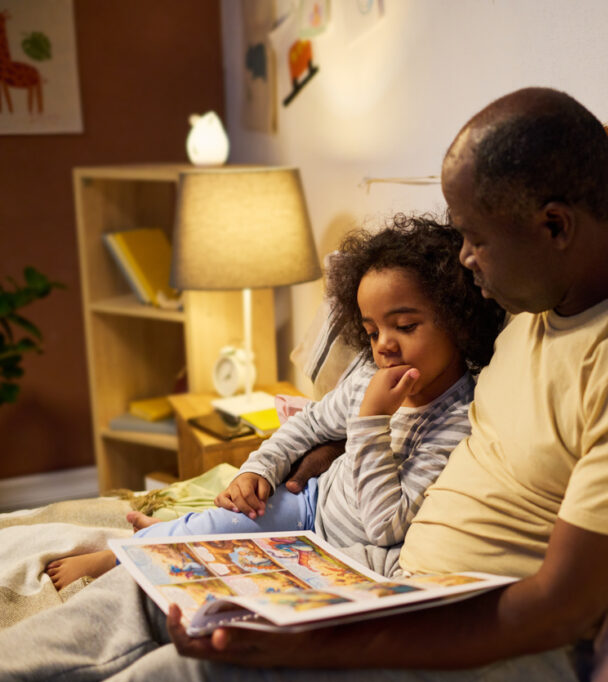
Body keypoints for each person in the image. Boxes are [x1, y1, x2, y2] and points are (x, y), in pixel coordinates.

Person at [0, 88, 608, 681]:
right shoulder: (537, 306)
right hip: (367, 578)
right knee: (152, 588)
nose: (467, 262)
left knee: (188, 669)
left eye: (475, 238)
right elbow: (389, 412)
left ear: (554, 226)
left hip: (483, 638)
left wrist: (307, 644)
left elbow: (555, 615)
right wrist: (322, 459)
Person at [43, 213, 506, 590]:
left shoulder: (457, 422)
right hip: (311, 504)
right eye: (371, 331)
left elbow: (386, 525)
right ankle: (121, 553)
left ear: (457, 321)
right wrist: (257, 470)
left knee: (218, 563)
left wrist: (370, 421)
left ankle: (162, 541)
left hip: (354, 548)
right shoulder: (369, 372)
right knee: (222, 521)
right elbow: (307, 427)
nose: (384, 344)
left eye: (405, 326)